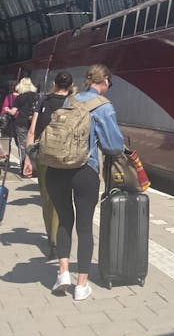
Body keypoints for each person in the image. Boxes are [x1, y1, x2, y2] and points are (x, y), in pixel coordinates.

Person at [46, 64, 124, 302]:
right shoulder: (103, 106)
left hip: (56, 169)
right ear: (105, 81)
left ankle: (62, 273)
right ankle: (81, 286)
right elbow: (113, 146)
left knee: (64, 221)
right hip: (84, 171)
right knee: (84, 227)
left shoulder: (69, 100)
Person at [23, 72, 75, 260]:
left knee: (47, 200)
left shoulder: (43, 100)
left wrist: (28, 159)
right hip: (66, 158)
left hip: (44, 156)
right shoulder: (74, 103)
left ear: (54, 83)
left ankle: (53, 241)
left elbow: (32, 131)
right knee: (64, 198)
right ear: (71, 85)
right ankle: (62, 239)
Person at [8, 77, 39, 176]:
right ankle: (33, 168)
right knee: (33, 145)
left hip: (21, 123)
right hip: (33, 123)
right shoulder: (37, 96)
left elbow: (13, 112)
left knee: (22, 146)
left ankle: (24, 168)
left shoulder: (20, 97)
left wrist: (7, 110)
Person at [0, 82, 18, 160]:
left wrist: (7, 111)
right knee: (19, 142)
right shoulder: (23, 97)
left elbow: (4, 109)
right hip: (19, 122)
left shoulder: (9, 97)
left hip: (8, 122)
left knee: (6, 139)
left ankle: (4, 156)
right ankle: (24, 160)